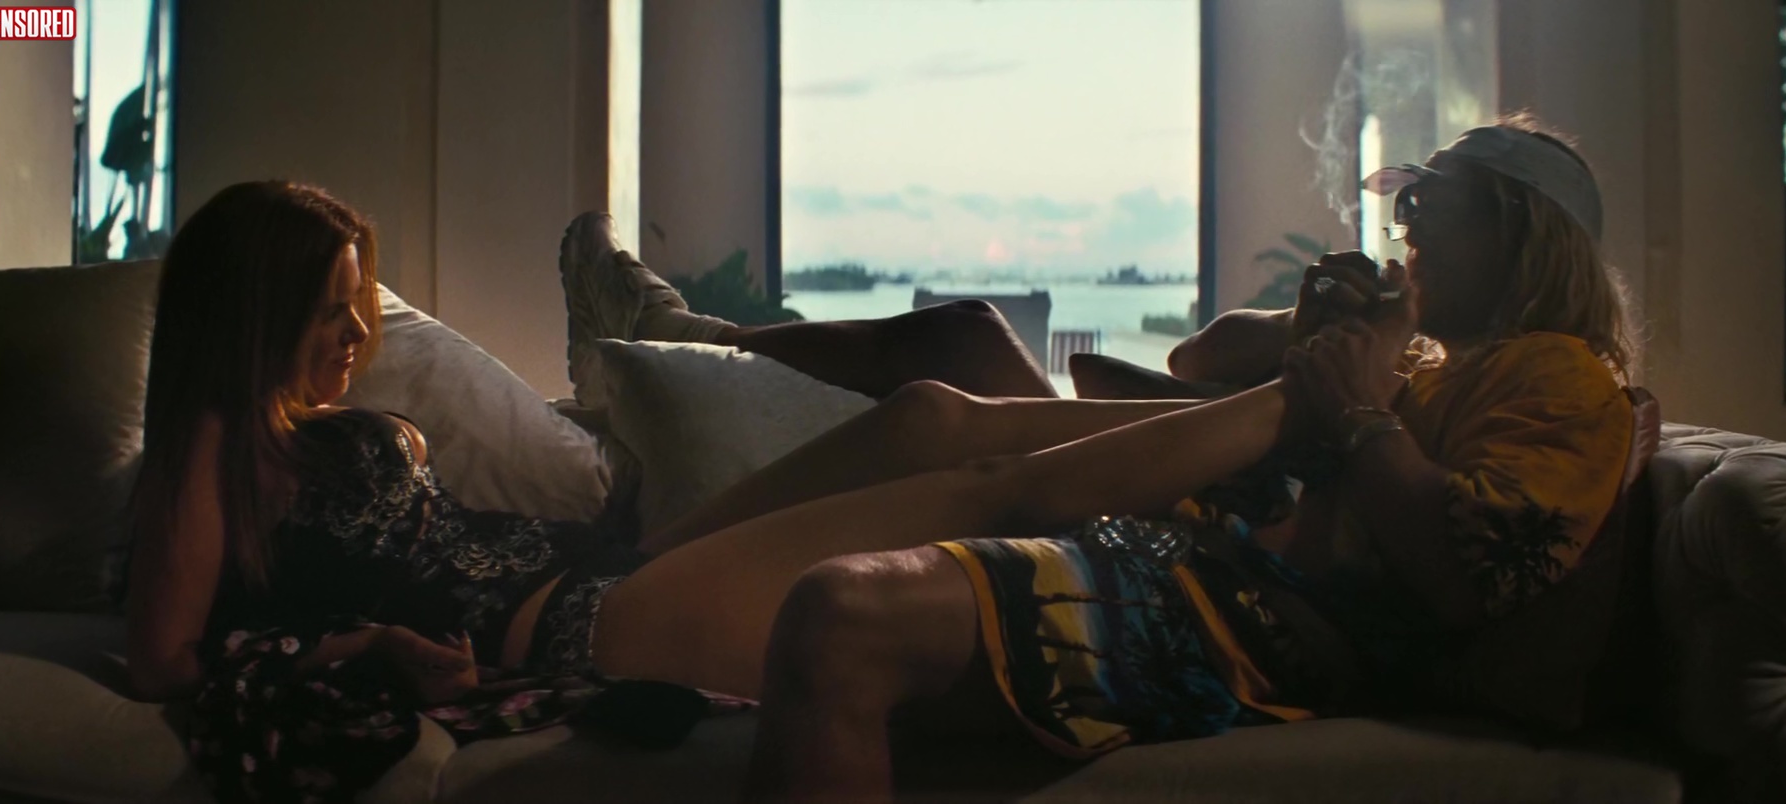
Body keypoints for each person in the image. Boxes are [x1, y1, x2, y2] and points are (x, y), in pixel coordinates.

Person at [125, 182, 1240, 803]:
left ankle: (1241, 439)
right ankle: (1281, 421)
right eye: (329, 312)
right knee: (985, 487)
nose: (355, 336)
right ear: (254, 314)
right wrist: (362, 647)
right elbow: (165, 659)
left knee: (928, 415)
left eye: (358, 306)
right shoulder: (214, 447)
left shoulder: (315, 429)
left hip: (608, 567)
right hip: (575, 628)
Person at [737, 114, 1640, 803]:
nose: (1405, 225)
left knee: (842, 612)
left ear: (1519, 230)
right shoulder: (1416, 353)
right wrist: (1315, 331)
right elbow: (1198, 359)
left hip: (1258, 629)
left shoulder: (1560, 378)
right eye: (1403, 203)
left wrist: (1360, 414)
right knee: (916, 440)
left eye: (1430, 204)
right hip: (1195, 567)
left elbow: (1470, 574)